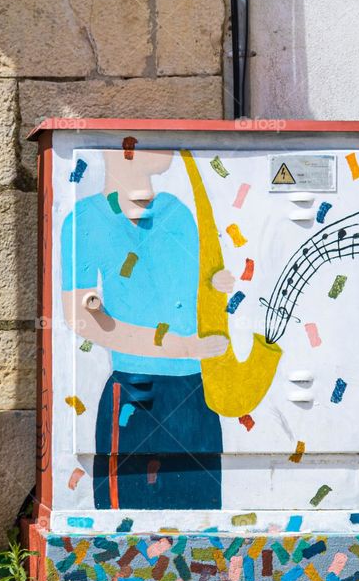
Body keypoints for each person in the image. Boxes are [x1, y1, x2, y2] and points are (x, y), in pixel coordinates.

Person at [61, 148, 234, 510]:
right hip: (135, 397)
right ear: (123, 148)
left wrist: (218, 285)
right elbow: (82, 317)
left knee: (202, 519)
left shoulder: (178, 214)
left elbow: (198, 292)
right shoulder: (84, 218)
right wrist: (178, 347)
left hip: (197, 395)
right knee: (127, 521)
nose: (166, 146)